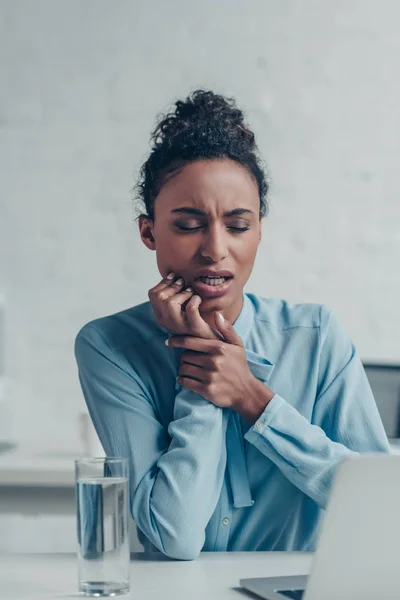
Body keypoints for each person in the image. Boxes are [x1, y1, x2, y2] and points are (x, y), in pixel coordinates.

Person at [74, 90, 389, 561]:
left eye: (238, 226)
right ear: (149, 232)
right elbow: (173, 536)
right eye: (187, 225)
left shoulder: (316, 336)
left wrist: (251, 398)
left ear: (260, 229)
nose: (215, 249)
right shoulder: (109, 346)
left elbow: (382, 511)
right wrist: (200, 367)